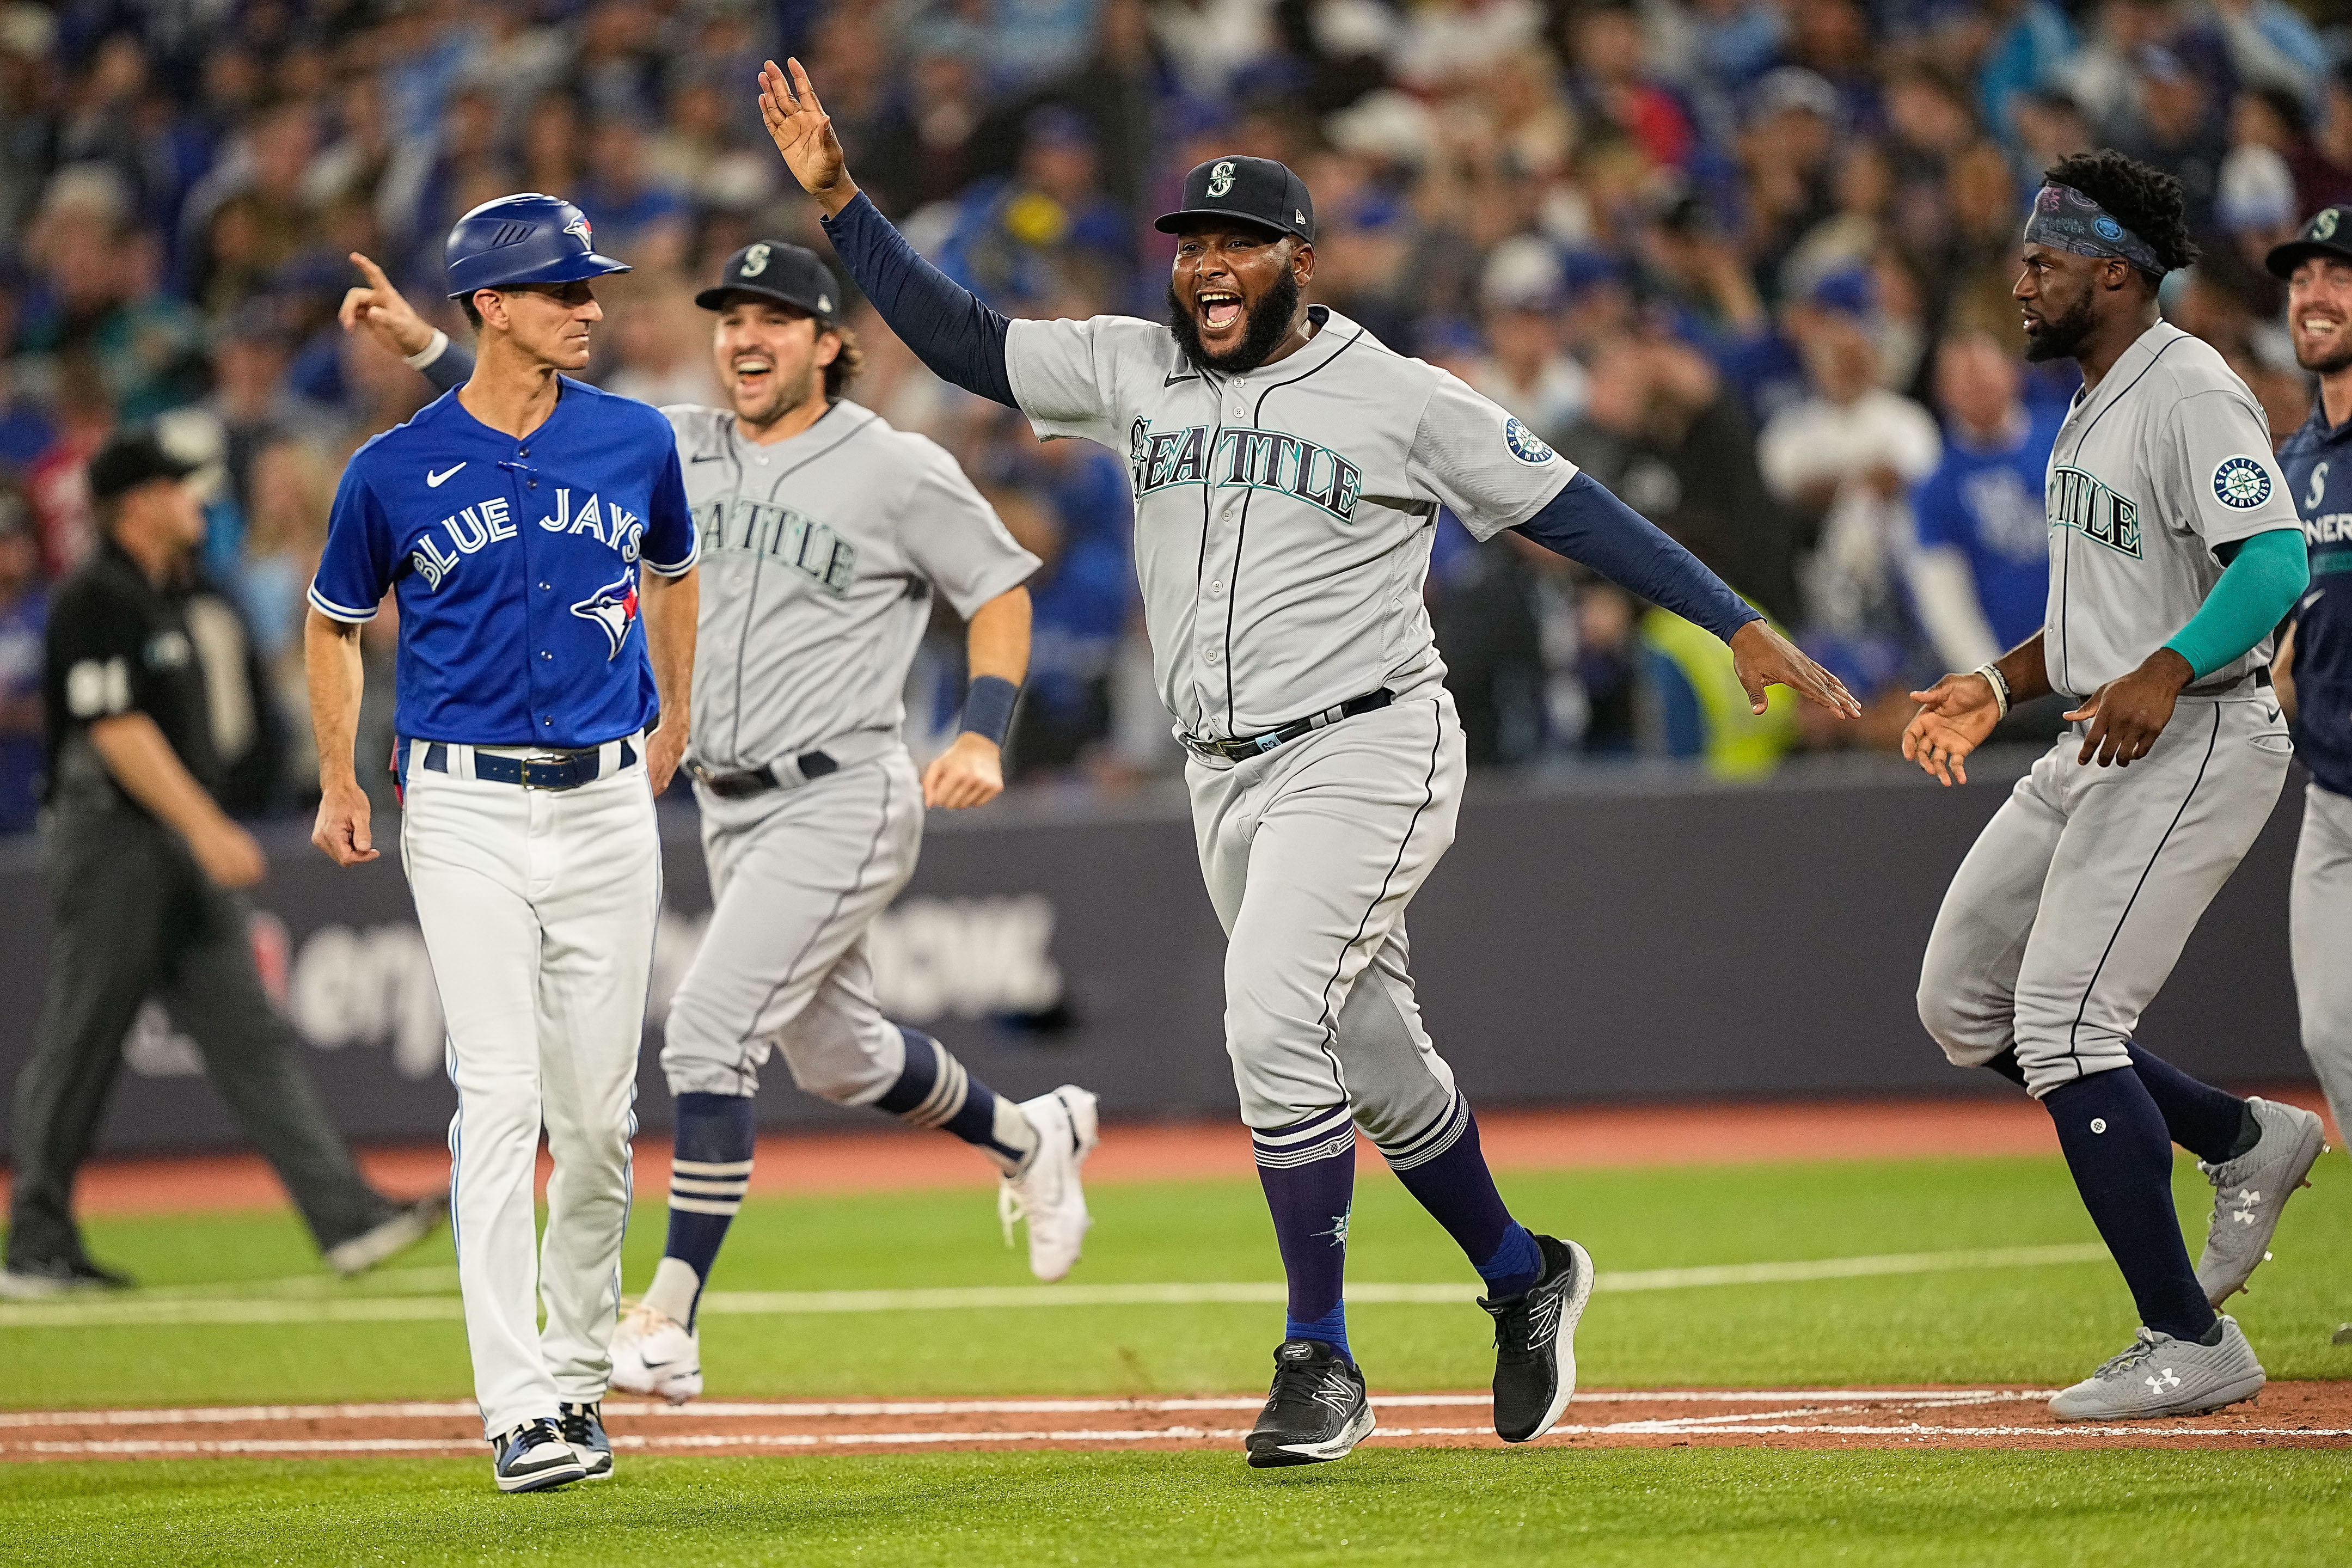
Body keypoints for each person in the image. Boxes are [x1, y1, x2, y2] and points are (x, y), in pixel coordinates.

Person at [757, 57, 1859, 1467]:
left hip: (1372, 742)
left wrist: (1735, 621)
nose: (1208, 268)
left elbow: (1571, 510)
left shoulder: (1400, 396)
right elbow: (969, 341)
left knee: (1270, 1013)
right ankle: (1526, 1279)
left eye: (1239, 246)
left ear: (1299, 260)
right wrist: (845, 203)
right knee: (1380, 1068)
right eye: (1193, 245)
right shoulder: (1133, 365)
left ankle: (1319, 1359)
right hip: (1227, 778)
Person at [350, 237, 1098, 1404]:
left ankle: (671, 1318)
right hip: (733, 808)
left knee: (705, 1030)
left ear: (829, 346)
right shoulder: (677, 445)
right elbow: (532, 423)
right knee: (843, 1056)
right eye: (732, 318)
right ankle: (1030, 1139)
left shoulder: (892, 468)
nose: (746, 337)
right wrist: (441, 351)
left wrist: (980, 732)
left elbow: (998, 589)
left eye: (777, 319)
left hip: (844, 789)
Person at [1906, 152, 2326, 1422]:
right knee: (1960, 1004)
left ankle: (2187, 1337)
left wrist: (2164, 665)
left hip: (2196, 735)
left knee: (2065, 1024)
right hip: (2099, 729)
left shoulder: (2189, 387)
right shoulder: (2092, 400)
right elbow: (2104, 616)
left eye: (2042, 262)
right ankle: (2238, 1135)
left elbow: (2271, 564)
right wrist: (1996, 678)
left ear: (2111, 269)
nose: (2019, 282)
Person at [304, 194, 699, 1493]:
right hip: (463, 803)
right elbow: (332, 617)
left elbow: (674, 572)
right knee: (502, 1095)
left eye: (588, 287)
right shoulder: (392, 468)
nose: (590, 305)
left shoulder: (635, 440)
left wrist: (678, 710)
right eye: (561, 289)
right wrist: (339, 775)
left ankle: (580, 1376)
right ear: (492, 306)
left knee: (596, 1117)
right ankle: (520, 1404)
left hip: (604, 806)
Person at [3, 428, 442, 1300]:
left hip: (169, 841)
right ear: (137, 504)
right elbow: (115, 730)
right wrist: (206, 826)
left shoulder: (172, 590)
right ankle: (36, 1239)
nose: (199, 502)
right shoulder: (98, 596)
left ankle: (345, 1219)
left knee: (251, 1034)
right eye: (180, 489)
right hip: (114, 840)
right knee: (81, 1036)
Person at [2260, 205, 2352, 1346]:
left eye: (2339, 274)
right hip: (2332, 791)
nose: (2316, 293)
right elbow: (2287, 627)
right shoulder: (2295, 459)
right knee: (2333, 1033)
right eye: (2303, 276)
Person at [1906, 332, 2061, 674]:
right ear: (1942, 392)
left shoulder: (2067, 436)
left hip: (2097, 649)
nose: (1977, 382)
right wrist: (1992, 679)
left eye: (1985, 369)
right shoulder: (1936, 488)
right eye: (1963, 375)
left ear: (2013, 372)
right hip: (2014, 666)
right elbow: (1944, 600)